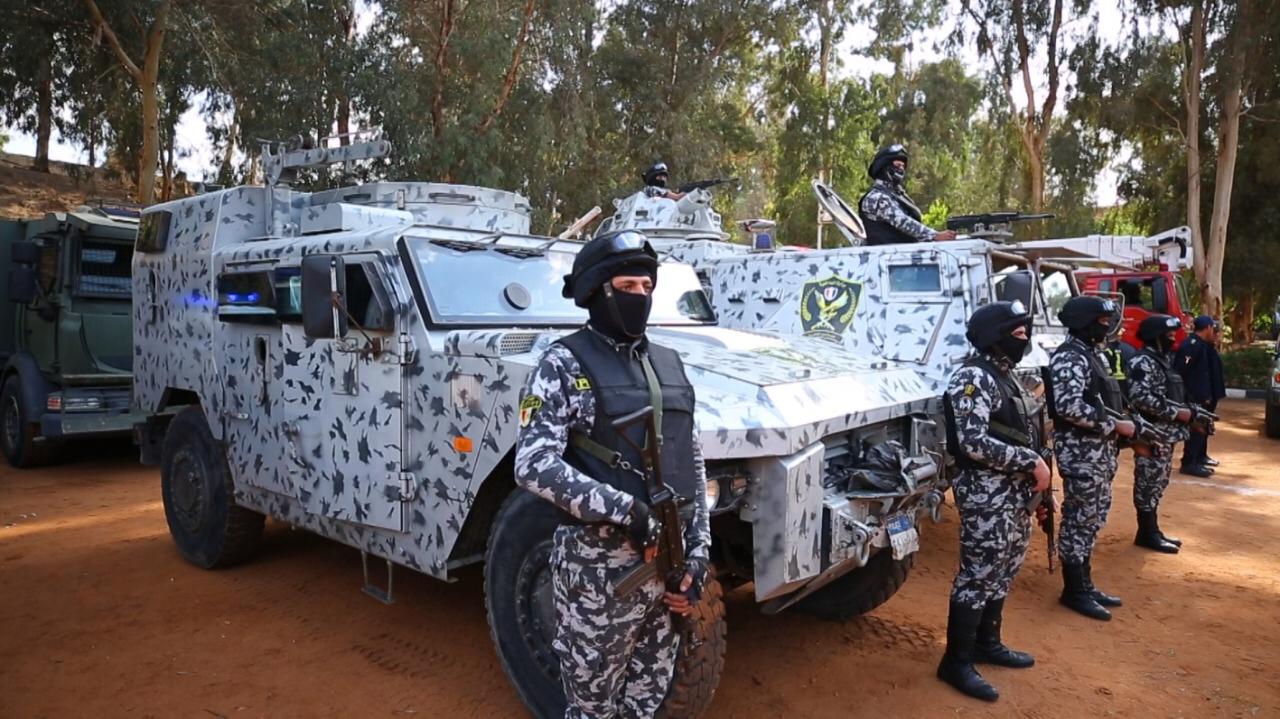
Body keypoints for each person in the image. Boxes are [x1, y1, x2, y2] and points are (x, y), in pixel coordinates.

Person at [514, 230, 711, 719]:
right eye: (627, 287)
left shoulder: (669, 364)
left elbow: (692, 460)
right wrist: (628, 511)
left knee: (647, 702)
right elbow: (533, 464)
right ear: (597, 292)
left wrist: (698, 556)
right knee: (592, 709)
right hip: (598, 575)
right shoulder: (562, 364)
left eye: (647, 287)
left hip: (668, 568)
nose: (640, 296)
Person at [938, 300, 1050, 703]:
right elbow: (972, 442)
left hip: (1014, 493)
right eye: (1018, 333)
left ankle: (988, 644)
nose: (1025, 339)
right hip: (986, 493)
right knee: (979, 574)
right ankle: (956, 661)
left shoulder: (1007, 376)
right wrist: (1030, 462)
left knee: (1004, 567)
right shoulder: (973, 377)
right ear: (994, 336)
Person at [1049, 296, 1135, 622]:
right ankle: (1074, 590)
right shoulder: (1069, 357)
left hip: (1098, 454)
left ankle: (1084, 583)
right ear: (1085, 322)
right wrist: (1115, 425)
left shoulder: (1091, 354)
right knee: (1079, 520)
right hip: (1081, 454)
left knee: (1093, 518)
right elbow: (1068, 407)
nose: (1107, 326)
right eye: (1101, 321)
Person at [1127, 314, 1196, 554]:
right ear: (1154, 336)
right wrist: (1177, 412)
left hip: (1166, 434)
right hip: (1152, 434)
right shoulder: (1142, 362)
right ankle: (1147, 533)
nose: (1172, 339)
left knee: (1158, 482)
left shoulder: (1162, 360)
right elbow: (1139, 397)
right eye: (1168, 335)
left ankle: (1151, 530)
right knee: (1148, 482)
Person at [858, 144, 957, 245]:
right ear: (884, 167)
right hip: (889, 253)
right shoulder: (876, 198)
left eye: (903, 166)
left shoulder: (896, 195)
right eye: (897, 166)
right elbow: (903, 222)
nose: (901, 169)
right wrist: (935, 235)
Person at [1175, 315, 1225, 477]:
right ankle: (1189, 462)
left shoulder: (1205, 345)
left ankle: (1200, 456)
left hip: (1207, 394)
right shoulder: (1192, 345)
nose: (1215, 332)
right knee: (1197, 428)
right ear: (1208, 328)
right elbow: (1182, 372)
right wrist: (1191, 395)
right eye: (1213, 328)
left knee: (1205, 426)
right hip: (1197, 396)